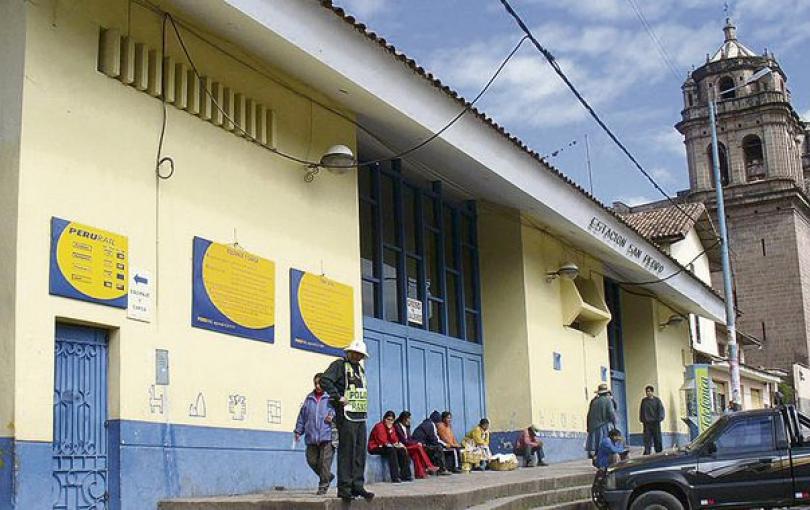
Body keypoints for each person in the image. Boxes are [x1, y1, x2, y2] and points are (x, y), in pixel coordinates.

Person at [320, 340, 375, 503]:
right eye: (356, 354)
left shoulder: (360, 369)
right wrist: (338, 397)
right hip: (346, 415)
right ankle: (345, 488)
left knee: (359, 452)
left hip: (360, 415)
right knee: (347, 451)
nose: (357, 357)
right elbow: (325, 380)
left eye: (360, 355)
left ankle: (358, 485)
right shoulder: (339, 365)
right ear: (349, 352)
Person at [294, 373, 336, 495]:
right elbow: (302, 416)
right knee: (311, 460)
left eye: (320, 383)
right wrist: (298, 431)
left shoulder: (331, 398)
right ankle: (327, 476)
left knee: (324, 462)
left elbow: (338, 412)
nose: (318, 386)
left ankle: (323, 486)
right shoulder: (309, 399)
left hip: (327, 436)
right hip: (311, 436)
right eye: (316, 383)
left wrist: (332, 416)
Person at [368, 410, 413, 483]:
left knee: (401, 450)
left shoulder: (392, 428)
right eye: (388, 419)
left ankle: (406, 475)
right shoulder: (379, 426)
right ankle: (395, 477)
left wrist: (396, 442)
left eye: (392, 420)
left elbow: (395, 439)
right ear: (384, 419)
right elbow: (382, 440)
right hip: (375, 447)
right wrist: (393, 443)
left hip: (387, 446)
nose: (389, 421)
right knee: (392, 450)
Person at [394, 411, 439, 479]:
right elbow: (404, 440)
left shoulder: (407, 427)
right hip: (402, 447)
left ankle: (419, 473)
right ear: (404, 419)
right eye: (408, 419)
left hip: (408, 446)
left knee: (416, 454)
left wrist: (417, 442)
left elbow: (410, 439)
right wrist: (416, 443)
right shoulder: (397, 426)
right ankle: (428, 465)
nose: (410, 420)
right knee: (418, 446)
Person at [586, 384, 617, 459]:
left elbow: (589, 415)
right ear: (606, 393)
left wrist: (588, 427)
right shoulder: (608, 401)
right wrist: (614, 422)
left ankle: (597, 461)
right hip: (604, 427)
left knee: (596, 448)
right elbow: (611, 413)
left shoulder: (593, 402)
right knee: (606, 446)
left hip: (593, 428)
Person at [639, 385, 665, 455]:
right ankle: (647, 452)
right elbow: (641, 411)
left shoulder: (657, 400)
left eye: (649, 391)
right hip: (647, 423)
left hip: (655, 422)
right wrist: (642, 419)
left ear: (652, 392)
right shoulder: (644, 401)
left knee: (657, 438)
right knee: (647, 439)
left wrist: (659, 418)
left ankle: (659, 451)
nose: (648, 393)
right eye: (647, 391)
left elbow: (661, 410)